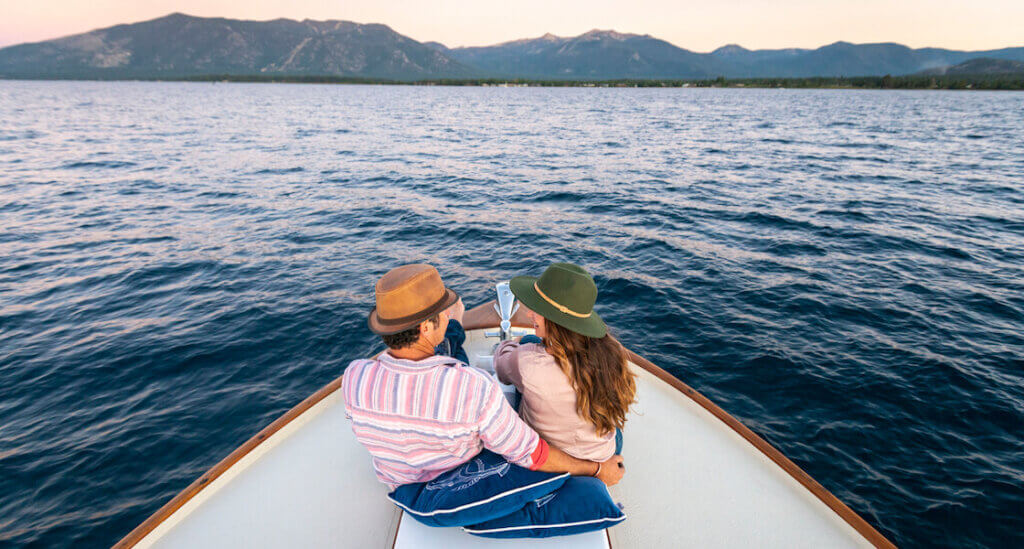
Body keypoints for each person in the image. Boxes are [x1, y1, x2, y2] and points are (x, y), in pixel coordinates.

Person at [342, 263, 624, 492]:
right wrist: (598, 469)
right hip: (455, 474)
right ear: (427, 326)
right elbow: (530, 452)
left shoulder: (354, 377)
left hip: (398, 481)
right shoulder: (472, 387)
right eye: (445, 313)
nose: (449, 314)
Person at [494, 263, 636, 462]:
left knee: (528, 341)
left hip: (555, 454)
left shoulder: (528, 363)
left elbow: (500, 365)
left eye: (537, 309)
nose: (529, 314)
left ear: (554, 320)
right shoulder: (612, 356)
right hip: (603, 452)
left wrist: (514, 343)